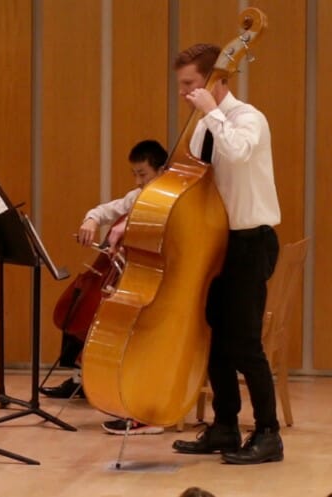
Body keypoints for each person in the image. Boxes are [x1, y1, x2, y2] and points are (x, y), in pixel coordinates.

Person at [168, 43, 283, 464]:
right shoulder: (202, 126)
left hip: (251, 242)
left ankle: (268, 434)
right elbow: (191, 180)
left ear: (216, 80)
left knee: (245, 342)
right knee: (216, 338)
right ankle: (225, 427)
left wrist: (209, 112)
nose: (185, 94)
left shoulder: (249, 118)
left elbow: (236, 151)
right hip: (217, 243)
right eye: (181, 86)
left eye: (191, 84)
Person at [42, 140, 170, 439]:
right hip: (126, 277)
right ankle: (82, 377)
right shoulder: (137, 195)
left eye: (143, 174)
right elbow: (105, 210)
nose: (138, 182)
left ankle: (135, 401)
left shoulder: (170, 203)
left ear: (161, 171)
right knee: (81, 303)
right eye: (135, 175)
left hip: (152, 286)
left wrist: (128, 230)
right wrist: (91, 219)